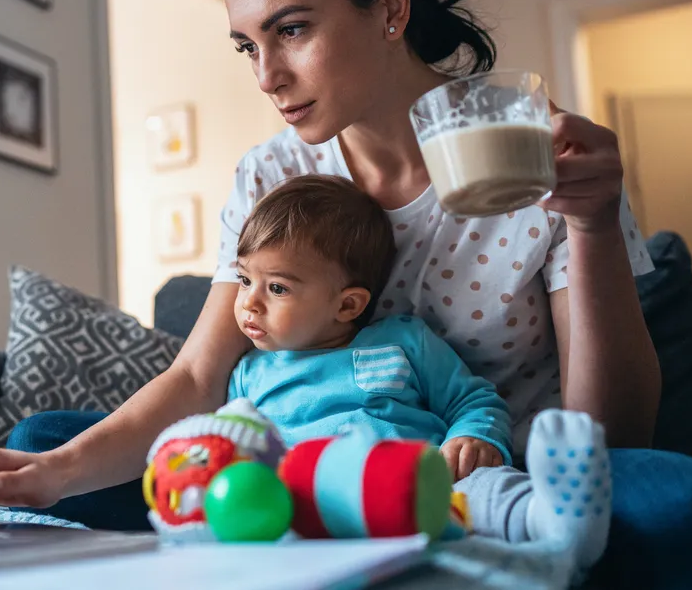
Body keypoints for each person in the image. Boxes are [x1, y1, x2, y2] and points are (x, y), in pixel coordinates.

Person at [0, 0, 692, 584]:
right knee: (52, 436)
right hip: (300, 471)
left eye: (292, 30)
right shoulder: (273, 173)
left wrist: (595, 224)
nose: (265, 74)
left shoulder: (539, 150)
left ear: (389, 8)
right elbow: (200, 379)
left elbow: (612, 433)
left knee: (677, 496)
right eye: (248, 44)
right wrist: (46, 471)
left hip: (492, 486)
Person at [224, 174, 608, 573]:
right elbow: (236, 445)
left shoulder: (402, 341)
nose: (249, 302)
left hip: (429, 487)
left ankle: (554, 521)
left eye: (278, 289)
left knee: (484, 489)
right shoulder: (249, 376)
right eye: (244, 279)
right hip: (322, 505)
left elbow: (472, 399)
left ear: (347, 305)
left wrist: (473, 436)